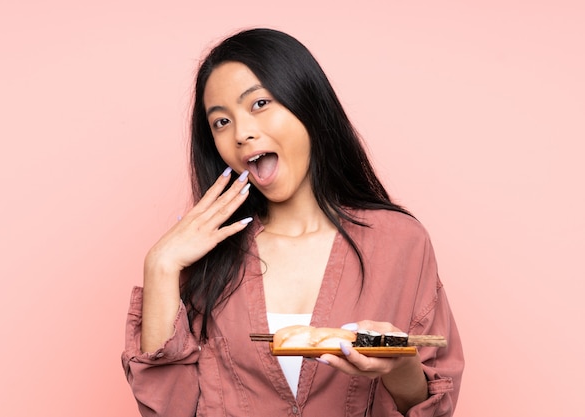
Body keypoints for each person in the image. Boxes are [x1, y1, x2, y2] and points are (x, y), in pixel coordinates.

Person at [122, 28, 464, 417]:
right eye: (220, 122)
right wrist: (161, 267)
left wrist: (401, 366)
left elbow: (433, 407)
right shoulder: (208, 254)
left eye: (260, 103)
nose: (242, 133)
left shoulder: (400, 243)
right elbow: (167, 409)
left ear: (308, 104)